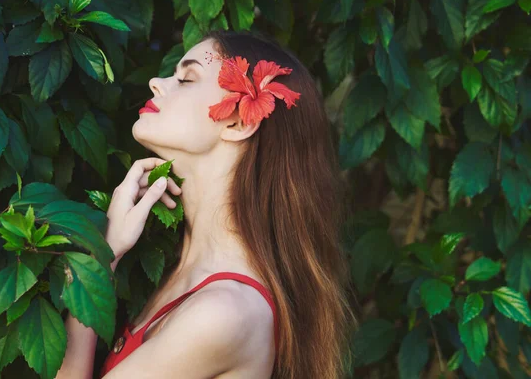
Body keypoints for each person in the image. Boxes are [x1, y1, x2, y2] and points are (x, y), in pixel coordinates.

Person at [55, 29, 358, 379]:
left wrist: (98, 261)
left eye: (186, 78)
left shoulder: (224, 313)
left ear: (238, 121)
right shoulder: (183, 271)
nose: (156, 82)